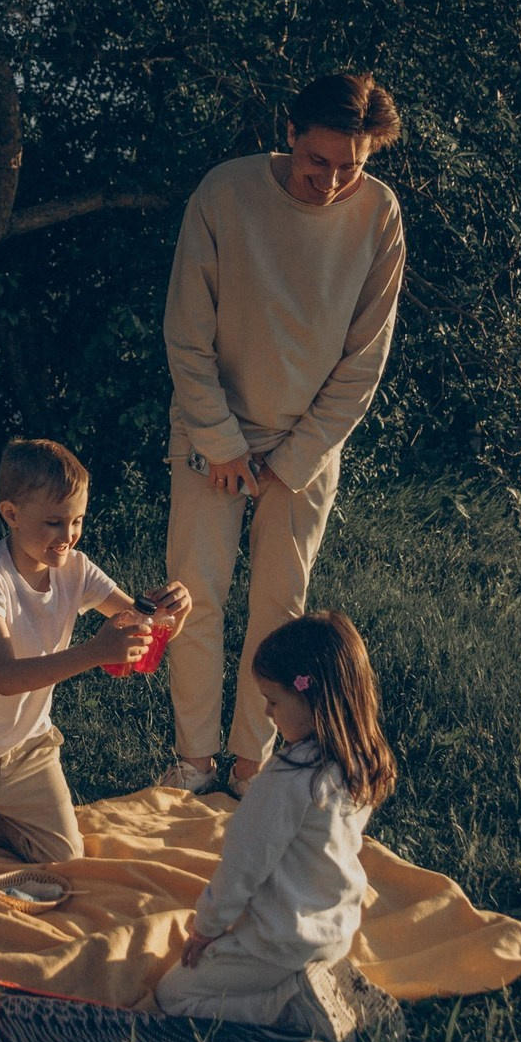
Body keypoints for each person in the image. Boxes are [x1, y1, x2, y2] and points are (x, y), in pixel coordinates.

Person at [161, 72, 405, 797]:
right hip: (212, 433)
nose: (332, 180)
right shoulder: (225, 192)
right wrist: (221, 440)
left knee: (280, 608)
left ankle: (249, 766)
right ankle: (194, 762)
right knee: (194, 596)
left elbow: (366, 360)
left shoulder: (381, 216)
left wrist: (294, 457)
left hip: (308, 445)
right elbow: (186, 331)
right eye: (319, 160)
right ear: (292, 134)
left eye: (351, 166)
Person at [0, 438, 191, 863]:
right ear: (12, 514)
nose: (69, 536)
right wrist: (95, 651)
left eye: (77, 521)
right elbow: (5, 676)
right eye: (55, 523)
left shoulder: (76, 569)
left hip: (29, 750)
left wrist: (171, 614)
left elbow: (142, 624)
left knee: (65, 858)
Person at [155, 611, 400, 1042]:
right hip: (336, 930)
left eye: (273, 700)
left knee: (173, 995)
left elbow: (243, 865)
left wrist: (207, 928)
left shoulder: (286, 779)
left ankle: (286, 1004)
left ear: (312, 698)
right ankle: (315, 980)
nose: (267, 713)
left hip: (279, 942)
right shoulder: (359, 760)